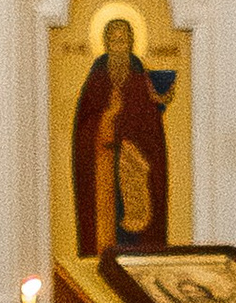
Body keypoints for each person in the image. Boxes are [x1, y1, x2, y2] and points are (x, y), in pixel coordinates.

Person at [70, 13, 172, 256]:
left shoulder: (140, 77)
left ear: (131, 43)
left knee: (135, 232)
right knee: (106, 227)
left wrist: (135, 143)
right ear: (106, 43)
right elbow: (84, 127)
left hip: (135, 166)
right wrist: (107, 118)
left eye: (123, 40)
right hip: (103, 167)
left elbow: (151, 127)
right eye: (114, 41)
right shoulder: (97, 79)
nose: (119, 46)